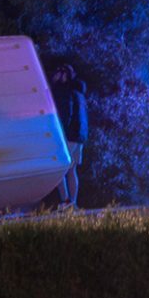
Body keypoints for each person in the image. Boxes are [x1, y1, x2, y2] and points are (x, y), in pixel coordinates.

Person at [50, 64, 88, 208]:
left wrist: (60, 133)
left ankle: (66, 201)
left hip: (69, 134)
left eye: (57, 73)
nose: (55, 76)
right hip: (80, 135)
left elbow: (66, 114)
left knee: (59, 168)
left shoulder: (65, 91)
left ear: (64, 74)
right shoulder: (79, 91)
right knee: (72, 169)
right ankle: (73, 202)